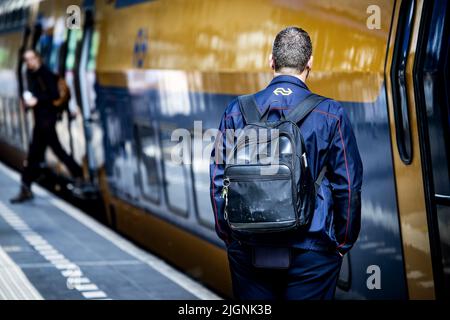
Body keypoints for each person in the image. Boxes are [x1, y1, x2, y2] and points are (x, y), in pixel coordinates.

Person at [210, 27, 363, 300]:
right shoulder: (331, 113)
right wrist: (341, 244)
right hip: (313, 250)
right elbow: (348, 186)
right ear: (310, 64)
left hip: (249, 247)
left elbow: (218, 179)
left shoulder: (236, 110)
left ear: (271, 61)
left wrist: (230, 236)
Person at [10, 49, 83, 204]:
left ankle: (78, 175)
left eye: (32, 59)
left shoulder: (45, 74)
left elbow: (54, 95)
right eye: (27, 60)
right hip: (41, 121)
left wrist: (37, 100)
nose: (30, 62)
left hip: (46, 121)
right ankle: (26, 186)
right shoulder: (33, 75)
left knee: (43, 153)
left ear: (38, 59)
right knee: (36, 154)